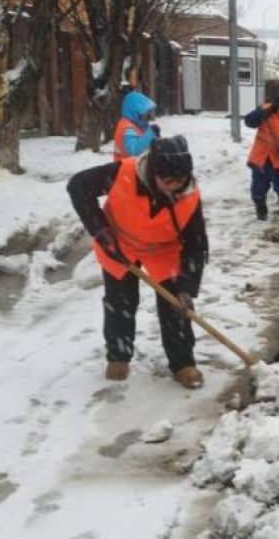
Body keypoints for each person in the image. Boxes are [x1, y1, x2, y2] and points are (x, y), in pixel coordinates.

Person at [67, 135, 209, 389]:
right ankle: (119, 355)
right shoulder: (123, 172)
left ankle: (182, 363)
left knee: (175, 306)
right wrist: (101, 231)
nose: (173, 188)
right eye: (167, 182)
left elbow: (196, 245)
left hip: (164, 251)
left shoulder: (189, 196)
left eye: (180, 182)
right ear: (153, 172)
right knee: (119, 302)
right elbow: (78, 186)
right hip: (121, 245)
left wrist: (187, 287)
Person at [113, 89, 160, 161]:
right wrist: (150, 134)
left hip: (136, 166)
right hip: (125, 167)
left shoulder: (138, 125)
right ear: (135, 112)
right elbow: (133, 150)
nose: (148, 115)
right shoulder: (127, 128)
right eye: (145, 112)